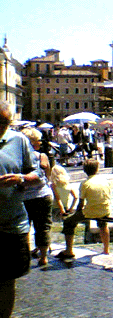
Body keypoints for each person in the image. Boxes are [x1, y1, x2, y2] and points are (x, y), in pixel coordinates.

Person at [0, 100, 42, 318]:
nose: (2, 127)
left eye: (5, 122)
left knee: (8, 281)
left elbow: (39, 176)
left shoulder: (19, 140)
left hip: (12, 225)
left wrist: (21, 178)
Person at [57, 158, 111, 259]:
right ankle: (106, 250)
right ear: (97, 169)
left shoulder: (85, 183)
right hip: (105, 210)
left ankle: (69, 251)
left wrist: (75, 213)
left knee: (68, 222)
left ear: (84, 170)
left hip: (90, 212)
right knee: (103, 225)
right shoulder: (105, 181)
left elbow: (81, 203)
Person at [21, 127, 54, 267]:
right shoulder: (42, 156)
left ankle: (25, 255)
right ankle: (43, 257)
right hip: (43, 195)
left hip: (24, 197)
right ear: (33, 142)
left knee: (25, 227)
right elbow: (48, 175)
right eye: (38, 140)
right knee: (43, 227)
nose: (40, 143)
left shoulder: (19, 158)